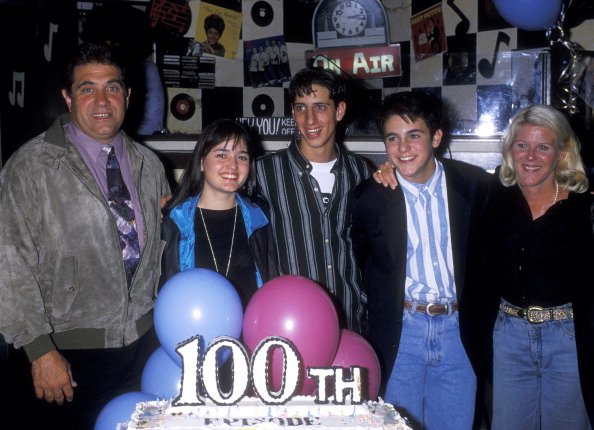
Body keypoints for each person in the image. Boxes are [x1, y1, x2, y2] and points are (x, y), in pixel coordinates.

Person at [0, 42, 170, 429]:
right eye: (86, 88)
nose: (101, 100)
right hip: (64, 358)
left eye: (112, 87)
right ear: (67, 97)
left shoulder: (149, 164)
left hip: (140, 352)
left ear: (127, 95)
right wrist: (40, 350)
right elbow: (7, 263)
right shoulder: (32, 166)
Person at [350, 91, 492, 429]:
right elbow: (363, 264)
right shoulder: (370, 198)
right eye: (392, 138)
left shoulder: (475, 186)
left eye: (414, 135)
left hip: (458, 332)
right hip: (404, 333)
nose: (403, 148)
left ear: (436, 137)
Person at [472, 105, 594, 429]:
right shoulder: (492, 197)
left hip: (569, 338)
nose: (530, 156)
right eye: (522, 144)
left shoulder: (585, 207)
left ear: (562, 153)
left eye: (543, 146)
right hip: (509, 336)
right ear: (510, 149)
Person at [256, 67, 373, 333]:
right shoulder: (263, 171)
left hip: (351, 321)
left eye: (320, 107)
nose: (309, 119)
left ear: (339, 111)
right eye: (300, 107)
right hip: (291, 323)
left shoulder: (361, 172)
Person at [160, 119, 279, 309]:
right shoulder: (174, 221)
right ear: (201, 162)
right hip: (192, 335)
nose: (233, 166)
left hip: (248, 335)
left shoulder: (261, 220)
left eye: (242, 157)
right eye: (222, 155)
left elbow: (271, 288)